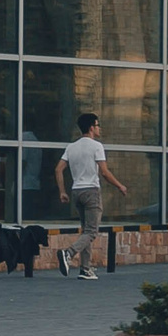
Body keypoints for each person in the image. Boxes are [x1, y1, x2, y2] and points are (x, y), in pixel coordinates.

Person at [52, 114, 127, 280]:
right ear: (92, 127)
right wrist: (120, 186)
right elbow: (105, 173)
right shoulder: (96, 146)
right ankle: (68, 253)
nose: (100, 128)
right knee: (92, 232)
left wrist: (62, 191)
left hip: (76, 192)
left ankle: (85, 269)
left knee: (86, 231)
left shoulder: (71, 147)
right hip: (91, 191)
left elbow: (58, 169)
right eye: (98, 125)